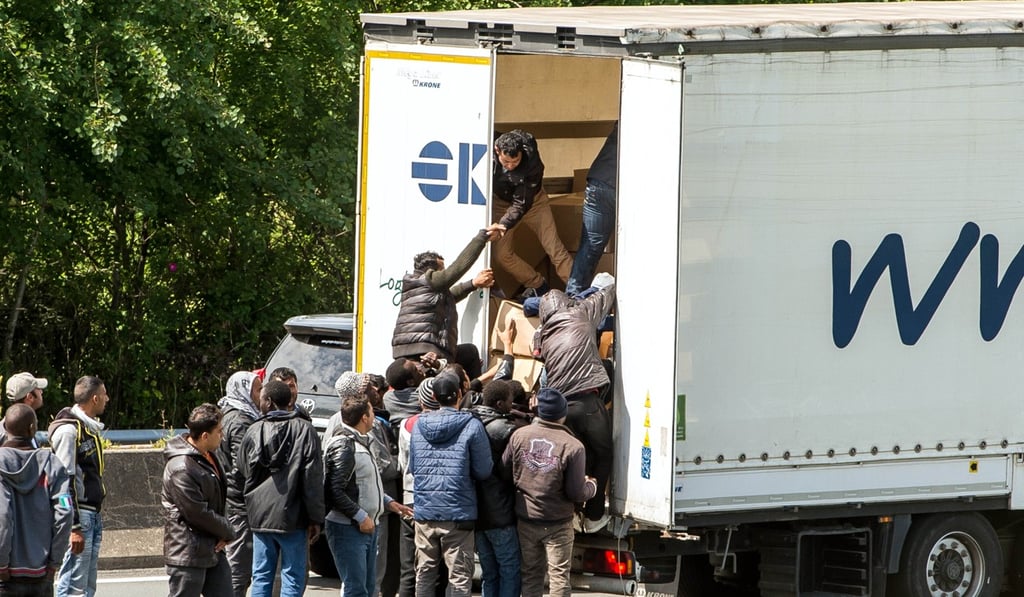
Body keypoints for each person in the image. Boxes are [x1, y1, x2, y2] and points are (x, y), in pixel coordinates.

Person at [536, 276, 616, 532]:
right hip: (587, 400)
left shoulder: (542, 335)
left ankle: (570, 513)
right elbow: (607, 294)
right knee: (603, 455)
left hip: (562, 409)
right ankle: (593, 517)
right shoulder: (580, 313)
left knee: (573, 458)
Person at [503, 388, 596, 597]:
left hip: (526, 520)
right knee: (559, 579)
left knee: (530, 576)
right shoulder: (573, 446)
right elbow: (576, 492)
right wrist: (592, 486)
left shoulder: (519, 436)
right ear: (562, 414)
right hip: (558, 523)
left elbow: (504, 470)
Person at [324, 382, 412, 597]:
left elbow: (363, 484)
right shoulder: (344, 445)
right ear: (364, 417)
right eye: (371, 412)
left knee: (368, 587)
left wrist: (388, 502)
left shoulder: (361, 442)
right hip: (349, 529)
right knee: (356, 589)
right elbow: (334, 490)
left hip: (367, 527)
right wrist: (361, 516)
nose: (374, 416)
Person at [408, 370, 492, 597]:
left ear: (433, 397)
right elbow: (484, 471)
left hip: (425, 511)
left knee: (424, 573)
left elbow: (414, 468)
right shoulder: (472, 425)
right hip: (458, 513)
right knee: (459, 576)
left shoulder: (418, 426)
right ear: (459, 394)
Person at [237, 380, 325, 597]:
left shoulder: (253, 430)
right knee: (292, 577)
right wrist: (316, 518)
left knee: (261, 575)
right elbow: (312, 479)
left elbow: (242, 469)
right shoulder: (305, 429)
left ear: (268, 401)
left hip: (260, 515)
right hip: (294, 517)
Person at [391, 226, 500, 361]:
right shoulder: (430, 279)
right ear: (431, 270)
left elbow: (449, 297)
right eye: (441, 270)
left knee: (469, 353)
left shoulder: (417, 285)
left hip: (411, 348)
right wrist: (482, 237)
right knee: (468, 357)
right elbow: (458, 267)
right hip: (425, 348)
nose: (444, 272)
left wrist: (473, 284)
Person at [161, 403, 235, 597]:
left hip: (212, 547)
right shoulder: (181, 467)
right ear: (205, 436)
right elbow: (197, 513)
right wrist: (227, 530)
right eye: (219, 431)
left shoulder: (208, 455)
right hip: (188, 552)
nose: (223, 435)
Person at [0, 404, 72, 597]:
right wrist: (54, 563)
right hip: (41, 573)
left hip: (5, 577)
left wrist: (2, 564)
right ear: (33, 429)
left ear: (5, 428)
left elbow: (3, 516)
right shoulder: (52, 464)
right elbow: (65, 512)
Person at [491, 129, 573, 298]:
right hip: (500, 204)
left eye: (515, 161)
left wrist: (504, 224)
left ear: (522, 152)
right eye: (506, 162)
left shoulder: (532, 162)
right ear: (497, 150)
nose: (511, 166)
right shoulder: (486, 145)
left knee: (554, 248)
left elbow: (521, 203)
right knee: (502, 255)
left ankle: (580, 293)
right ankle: (537, 284)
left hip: (534, 202)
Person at [49, 375, 108, 597]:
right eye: (104, 395)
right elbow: (64, 480)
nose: (107, 399)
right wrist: (73, 527)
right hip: (80, 515)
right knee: (74, 582)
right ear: (94, 398)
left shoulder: (88, 428)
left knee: (87, 585)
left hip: (92, 513)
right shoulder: (69, 431)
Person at [468, 381, 521, 597]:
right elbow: (509, 471)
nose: (512, 404)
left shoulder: (470, 420)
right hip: (500, 512)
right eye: (510, 401)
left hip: (477, 511)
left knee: (489, 573)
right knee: (509, 570)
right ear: (500, 404)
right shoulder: (505, 429)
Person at [215, 370, 262, 597]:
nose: (261, 395)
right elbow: (243, 466)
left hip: (231, 497)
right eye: (257, 389)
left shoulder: (227, 413)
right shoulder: (241, 420)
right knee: (240, 565)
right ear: (244, 391)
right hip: (240, 501)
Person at [566, 122, 618, 297]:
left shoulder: (625, 117)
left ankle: (572, 300)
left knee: (589, 248)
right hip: (621, 186)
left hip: (599, 183)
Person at [0, 372, 48, 445]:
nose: (41, 392)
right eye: (38, 389)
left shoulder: (6, 430)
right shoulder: (5, 436)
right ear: (30, 397)